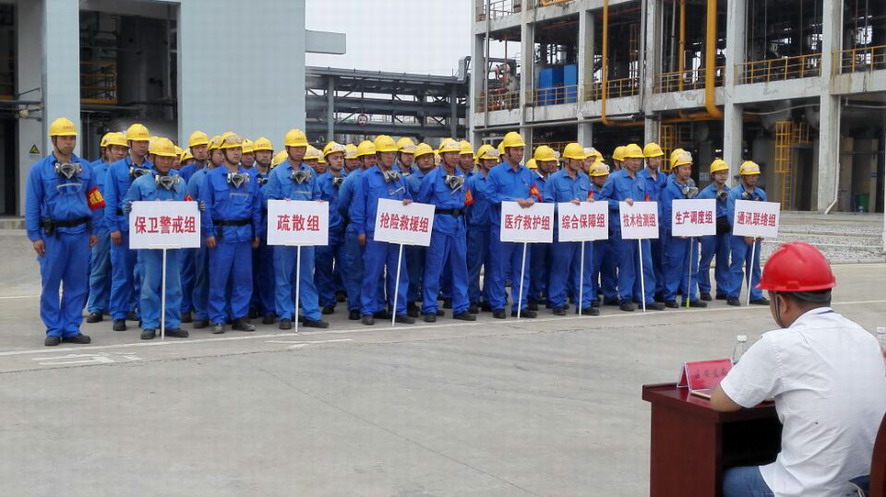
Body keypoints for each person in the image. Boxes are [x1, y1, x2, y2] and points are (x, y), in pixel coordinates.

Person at [712, 242, 886, 497]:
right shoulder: (866, 338)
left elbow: (721, 402)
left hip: (808, 491)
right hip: (863, 486)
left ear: (781, 302)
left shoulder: (778, 344)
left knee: (724, 478)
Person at [25, 117, 100, 346]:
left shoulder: (86, 168)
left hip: (80, 233)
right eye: (64, 138)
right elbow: (32, 204)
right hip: (53, 235)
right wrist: (35, 236)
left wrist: (95, 229)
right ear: (54, 140)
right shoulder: (39, 170)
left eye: (72, 138)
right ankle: (54, 328)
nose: (69, 142)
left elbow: (95, 200)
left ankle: (71, 327)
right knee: (50, 282)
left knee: (77, 283)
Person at [124, 137, 190, 340]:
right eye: (162, 157)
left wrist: (196, 208)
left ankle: (171, 323)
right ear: (152, 158)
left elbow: (186, 205)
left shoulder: (180, 182)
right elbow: (128, 205)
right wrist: (128, 209)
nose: (166, 162)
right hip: (149, 244)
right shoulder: (140, 183)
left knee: (173, 285)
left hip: (173, 242)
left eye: (170, 158)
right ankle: (150, 323)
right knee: (149, 284)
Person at [262, 128, 328, 330]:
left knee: (307, 274)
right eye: (296, 147)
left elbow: (316, 195)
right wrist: (282, 204)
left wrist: (318, 204)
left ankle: (311, 313)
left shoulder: (310, 173)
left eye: (302, 147)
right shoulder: (277, 173)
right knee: (283, 275)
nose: (300, 151)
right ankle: (285, 314)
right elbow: (268, 200)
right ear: (287, 148)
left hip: (305, 232)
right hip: (285, 232)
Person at [200, 133, 262, 334]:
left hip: (244, 235)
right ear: (223, 152)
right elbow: (205, 206)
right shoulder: (211, 177)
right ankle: (218, 318)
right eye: (232, 149)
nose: (236, 153)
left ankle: (239, 317)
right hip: (221, 236)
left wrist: (257, 232)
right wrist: (208, 233)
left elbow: (256, 207)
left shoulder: (250, 178)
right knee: (219, 278)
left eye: (239, 149)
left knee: (243, 278)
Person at [350, 135, 415, 325]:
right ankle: (368, 309)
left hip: (395, 233)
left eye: (392, 153)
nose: (390, 156)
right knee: (372, 273)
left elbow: (408, 197)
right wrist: (360, 230)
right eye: (386, 153)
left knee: (399, 272)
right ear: (378, 155)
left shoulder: (399, 178)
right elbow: (358, 206)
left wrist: (408, 201)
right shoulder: (366, 178)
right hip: (374, 233)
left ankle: (399, 309)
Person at [599, 143, 665, 312]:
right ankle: (625, 297)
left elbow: (646, 198)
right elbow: (602, 200)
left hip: (641, 227)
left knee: (646, 264)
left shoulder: (641, 179)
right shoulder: (614, 178)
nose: (636, 162)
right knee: (627, 265)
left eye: (638, 159)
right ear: (625, 160)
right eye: (632, 159)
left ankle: (646, 297)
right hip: (623, 229)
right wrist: (620, 204)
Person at [418, 138, 476, 323]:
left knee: (460, 268)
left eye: (456, 153)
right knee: (434, 268)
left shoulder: (462, 178)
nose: (454, 157)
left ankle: (461, 307)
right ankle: (429, 307)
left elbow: (466, 201)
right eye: (450, 153)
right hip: (439, 227)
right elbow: (422, 203)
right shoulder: (432, 177)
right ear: (442, 156)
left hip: (458, 226)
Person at [105, 123, 153, 332]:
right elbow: (109, 200)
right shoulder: (116, 169)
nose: (142, 146)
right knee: (122, 274)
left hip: (146, 229)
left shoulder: (152, 168)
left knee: (144, 274)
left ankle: (144, 314)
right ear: (130, 144)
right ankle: (119, 314)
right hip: (123, 228)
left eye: (145, 142)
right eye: (138, 142)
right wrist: (113, 228)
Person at [486, 131, 539, 319]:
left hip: (523, 229)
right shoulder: (496, 173)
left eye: (521, 150)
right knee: (499, 269)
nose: (519, 153)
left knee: (522, 268)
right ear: (507, 151)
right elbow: (490, 196)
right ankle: (498, 304)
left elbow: (535, 193)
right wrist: (513, 201)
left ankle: (520, 305)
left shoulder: (528, 174)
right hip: (502, 228)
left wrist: (532, 200)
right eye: (516, 150)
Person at [543, 143, 598, 316]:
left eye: (581, 160)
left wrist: (590, 202)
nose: (580, 163)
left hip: (582, 231)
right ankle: (557, 302)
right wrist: (566, 206)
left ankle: (584, 302)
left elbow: (589, 196)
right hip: (563, 231)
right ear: (567, 160)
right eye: (576, 159)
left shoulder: (584, 179)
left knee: (584, 268)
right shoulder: (554, 180)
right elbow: (547, 204)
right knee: (561, 268)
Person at [86, 131, 127, 323]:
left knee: (120, 268)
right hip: (101, 226)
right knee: (99, 267)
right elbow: (90, 200)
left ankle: (116, 305)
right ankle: (96, 307)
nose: (120, 152)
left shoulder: (129, 171)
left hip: (122, 223)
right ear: (107, 150)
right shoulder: (94, 171)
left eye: (123, 149)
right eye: (116, 148)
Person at [659, 150, 706, 308]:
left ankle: (690, 296)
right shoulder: (669, 189)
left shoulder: (691, 185)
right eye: (684, 168)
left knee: (691, 265)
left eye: (689, 168)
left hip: (690, 233)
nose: (687, 171)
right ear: (675, 169)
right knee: (674, 265)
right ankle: (670, 296)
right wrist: (676, 230)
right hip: (676, 237)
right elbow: (667, 213)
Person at [337, 140, 377, 320]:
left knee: (375, 270)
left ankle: (375, 305)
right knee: (355, 269)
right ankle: (355, 306)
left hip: (376, 230)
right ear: (361, 160)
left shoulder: (381, 177)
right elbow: (342, 205)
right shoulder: (352, 179)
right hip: (355, 230)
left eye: (374, 157)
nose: (372, 161)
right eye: (368, 158)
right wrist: (355, 220)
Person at [185, 134, 222, 329]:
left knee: (222, 275)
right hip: (202, 233)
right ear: (210, 154)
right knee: (202, 273)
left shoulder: (234, 177)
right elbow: (188, 204)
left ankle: (223, 312)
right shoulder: (197, 178)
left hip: (225, 232)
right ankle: (201, 312)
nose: (222, 156)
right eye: (218, 153)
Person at [726, 160, 769, 307]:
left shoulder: (761, 194)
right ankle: (732, 294)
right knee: (737, 264)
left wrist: (762, 232)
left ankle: (756, 294)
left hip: (755, 237)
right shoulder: (734, 194)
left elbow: (765, 214)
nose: (753, 178)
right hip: (739, 237)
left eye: (755, 175)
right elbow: (732, 216)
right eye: (750, 176)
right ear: (743, 177)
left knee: (755, 265)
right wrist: (745, 234)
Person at [315, 141, 348, 315]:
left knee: (347, 267)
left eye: (341, 157)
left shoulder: (349, 180)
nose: (339, 160)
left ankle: (352, 301)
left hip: (344, 232)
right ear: (327, 160)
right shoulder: (320, 182)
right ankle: (327, 300)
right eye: (335, 158)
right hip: (326, 232)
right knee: (324, 268)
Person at [403, 143, 436, 317]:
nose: (426, 160)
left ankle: (429, 302)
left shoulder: (440, 178)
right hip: (416, 229)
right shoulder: (409, 181)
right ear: (416, 161)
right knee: (413, 266)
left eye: (429, 157)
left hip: (436, 228)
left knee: (432, 267)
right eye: (422, 158)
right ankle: (410, 300)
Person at [465, 144, 498, 313]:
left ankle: (489, 298)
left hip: (495, 227)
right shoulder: (472, 181)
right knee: (474, 266)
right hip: (477, 229)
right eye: (487, 159)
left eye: (493, 160)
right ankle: (472, 299)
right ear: (481, 161)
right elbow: (467, 206)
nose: (491, 162)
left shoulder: (498, 180)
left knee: (493, 266)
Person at [249, 137, 276, 324]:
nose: (265, 155)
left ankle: (268, 308)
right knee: (249, 271)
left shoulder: (276, 177)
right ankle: (252, 305)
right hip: (251, 229)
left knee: (268, 271)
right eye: (261, 152)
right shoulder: (247, 177)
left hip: (271, 229)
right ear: (254, 155)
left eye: (267, 152)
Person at [697, 158, 731, 301]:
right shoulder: (705, 193)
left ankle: (722, 289)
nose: (722, 176)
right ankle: (704, 290)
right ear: (713, 175)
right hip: (709, 232)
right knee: (706, 261)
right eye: (719, 173)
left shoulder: (731, 193)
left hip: (725, 232)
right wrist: (699, 233)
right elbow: (697, 212)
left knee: (723, 261)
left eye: (725, 173)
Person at [527, 145, 556, 311]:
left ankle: (551, 296)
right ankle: (532, 296)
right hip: (537, 227)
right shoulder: (531, 179)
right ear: (538, 162)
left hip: (555, 226)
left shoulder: (556, 178)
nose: (550, 164)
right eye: (547, 162)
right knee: (536, 264)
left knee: (553, 263)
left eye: (552, 162)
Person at [588, 161, 618, 306]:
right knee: (593, 267)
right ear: (592, 178)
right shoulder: (589, 192)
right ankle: (592, 295)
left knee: (610, 266)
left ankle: (610, 294)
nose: (602, 179)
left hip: (610, 233)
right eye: (599, 177)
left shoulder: (611, 190)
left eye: (604, 176)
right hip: (595, 236)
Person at [640, 142, 668, 301]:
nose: (657, 161)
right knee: (647, 261)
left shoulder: (663, 177)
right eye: (654, 158)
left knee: (661, 259)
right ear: (647, 159)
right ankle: (647, 291)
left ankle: (660, 289)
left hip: (661, 224)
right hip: (647, 224)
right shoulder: (640, 178)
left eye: (659, 158)